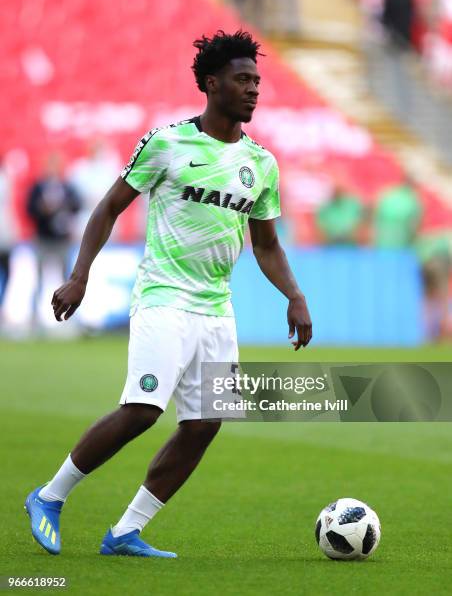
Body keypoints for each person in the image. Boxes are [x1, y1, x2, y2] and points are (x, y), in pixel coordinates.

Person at [25, 30, 312, 558]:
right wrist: (80, 274)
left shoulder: (262, 164)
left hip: (216, 307)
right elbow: (110, 206)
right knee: (142, 409)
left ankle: (126, 532)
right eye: (242, 80)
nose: (253, 90)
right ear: (212, 84)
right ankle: (48, 496)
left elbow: (266, 244)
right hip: (164, 296)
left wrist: (293, 296)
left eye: (257, 81)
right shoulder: (167, 142)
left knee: (204, 425)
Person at [26, 153, 81, 329]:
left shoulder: (67, 187)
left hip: (62, 239)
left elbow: (77, 205)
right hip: (43, 238)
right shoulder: (38, 187)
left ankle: (68, 319)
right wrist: (43, 210)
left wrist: (62, 207)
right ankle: (34, 319)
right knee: (39, 279)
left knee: (67, 280)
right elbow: (29, 209)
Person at [0, 157, 18, 322]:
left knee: (7, 272)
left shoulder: (5, 178)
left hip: (4, 232)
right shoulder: (5, 178)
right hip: (4, 230)